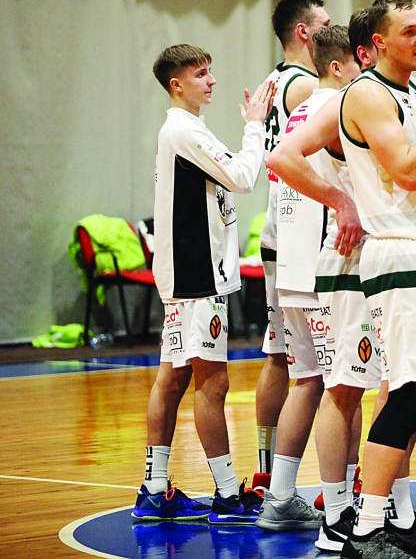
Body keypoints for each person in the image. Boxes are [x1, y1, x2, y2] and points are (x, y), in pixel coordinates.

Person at [281, 0, 416, 558]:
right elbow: (411, 170)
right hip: (397, 250)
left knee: (414, 391)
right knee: (405, 391)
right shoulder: (366, 94)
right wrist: (340, 200)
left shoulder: (411, 92)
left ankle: (392, 516)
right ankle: (364, 526)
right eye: (409, 32)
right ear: (376, 44)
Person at [133, 45, 272, 524]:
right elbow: (242, 177)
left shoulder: (186, 129)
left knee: (171, 378)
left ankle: (153, 488)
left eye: (211, 71)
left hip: (183, 273)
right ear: (177, 84)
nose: (211, 80)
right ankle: (229, 495)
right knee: (212, 382)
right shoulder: (182, 130)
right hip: (196, 276)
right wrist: (256, 124)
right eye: (201, 74)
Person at [257, 25, 361, 532]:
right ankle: (344, 506)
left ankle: (279, 497)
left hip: (290, 269)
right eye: (359, 64)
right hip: (330, 268)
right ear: (338, 66)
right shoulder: (338, 109)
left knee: (307, 382)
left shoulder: (296, 111)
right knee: (348, 386)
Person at [253, 0, 332, 491]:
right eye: (324, 23)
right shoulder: (309, 85)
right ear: (304, 32)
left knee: (280, 355)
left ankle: (266, 472)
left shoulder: (272, 80)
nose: (331, 28)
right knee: (318, 371)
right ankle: (337, 487)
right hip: (302, 233)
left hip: (276, 231)